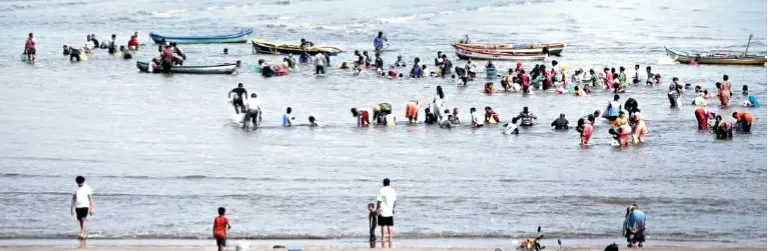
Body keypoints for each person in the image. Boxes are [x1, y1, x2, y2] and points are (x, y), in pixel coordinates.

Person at [376, 178, 396, 242]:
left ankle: (383, 238)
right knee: (390, 225)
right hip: (390, 209)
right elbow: (395, 201)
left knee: (383, 225)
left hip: (383, 210)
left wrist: (377, 209)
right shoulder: (393, 190)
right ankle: (390, 238)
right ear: (389, 183)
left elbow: (379, 201)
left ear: (383, 183)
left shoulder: (381, 190)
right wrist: (393, 209)